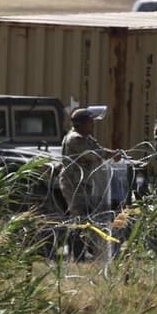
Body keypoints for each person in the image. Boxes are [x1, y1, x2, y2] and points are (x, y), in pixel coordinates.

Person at [61, 107, 122, 258]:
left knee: (86, 216)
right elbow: (91, 154)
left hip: (84, 183)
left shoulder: (87, 138)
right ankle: (77, 254)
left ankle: (87, 250)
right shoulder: (75, 139)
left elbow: (98, 149)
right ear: (80, 124)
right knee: (79, 217)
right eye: (89, 122)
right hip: (73, 184)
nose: (92, 125)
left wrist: (112, 153)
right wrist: (110, 154)